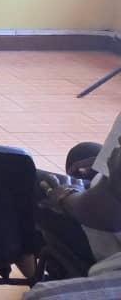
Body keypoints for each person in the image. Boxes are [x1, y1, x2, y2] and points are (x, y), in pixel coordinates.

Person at [37, 112, 121, 278]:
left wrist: (65, 197)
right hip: (109, 206)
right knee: (84, 151)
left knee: (30, 179)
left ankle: (61, 272)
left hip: (111, 242)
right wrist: (105, 162)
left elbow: (104, 214)